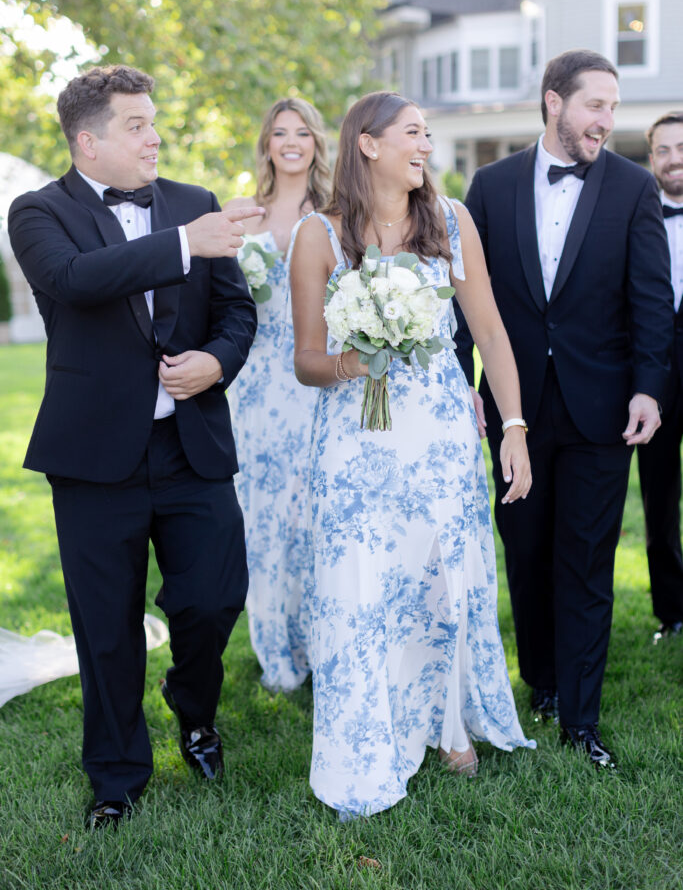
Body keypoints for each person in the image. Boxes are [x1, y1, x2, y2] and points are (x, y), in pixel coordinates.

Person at [8, 64, 262, 829]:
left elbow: (236, 312)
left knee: (213, 598)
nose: (155, 137)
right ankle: (116, 776)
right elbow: (77, 280)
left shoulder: (193, 205)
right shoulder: (37, 212)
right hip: (93, 457)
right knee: (105, 623)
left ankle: (192, 708)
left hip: (192, 448)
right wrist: (184, 243)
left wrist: (218, 360)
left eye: (154, 122)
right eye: (136, 125)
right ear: (88, 142)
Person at [289, 90, 535, 820]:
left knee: (443, 575)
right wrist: (353, 364)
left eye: (428, 134)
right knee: (363, 585)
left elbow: (488, 333)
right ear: (367, 144)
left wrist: (514, 427)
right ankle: (371, 737)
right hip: (354, 443)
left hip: (438, 439)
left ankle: (449, 720)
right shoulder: (318, 235)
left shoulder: (452, 221)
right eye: (412, 133)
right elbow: (306, 359)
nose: (426, 145)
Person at [455, 49, 673, 770]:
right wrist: (464, 388)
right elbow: (464, 304)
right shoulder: (487, 187)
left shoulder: (633, 188)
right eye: (594, 105)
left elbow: (650, 300)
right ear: (552, 103)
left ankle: (580, 717)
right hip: (513, 405)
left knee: (585, 559)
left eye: (612, 107)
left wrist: (649, 387)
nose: (606, 120)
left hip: (601, 408)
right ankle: (541, 681)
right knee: (525, 549)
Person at [225, 97, 331, 690]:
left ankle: (325, 640)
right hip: (260, 389)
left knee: (316, 517)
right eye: (280, 133)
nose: (291, 142)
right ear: (267, 143)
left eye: (302, 133)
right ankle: (277, 652)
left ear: (316, 142)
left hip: (318, 384)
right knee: (265, 521)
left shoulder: (339, 212)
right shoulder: (244, 216)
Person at [636, 112, 683, 643]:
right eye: (664, 150)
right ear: (652, 159)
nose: (675, 159)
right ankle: (672, 612)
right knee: (658, 494)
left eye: (682, 146)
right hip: (653, 372)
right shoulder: (635, 209)